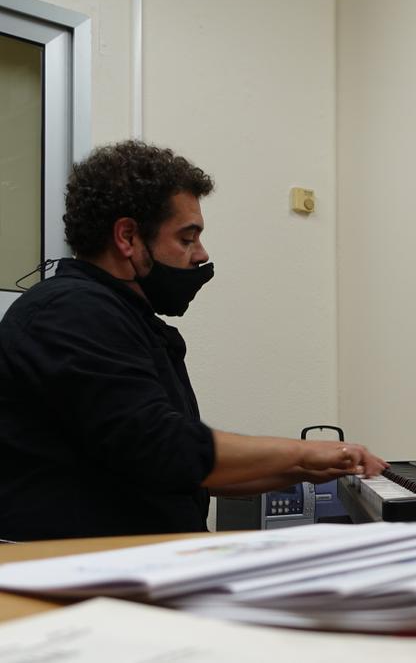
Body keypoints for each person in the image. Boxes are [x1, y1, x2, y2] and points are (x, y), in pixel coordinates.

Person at [0, 140, 388, 541]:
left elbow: (188, 471)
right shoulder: (68, 313)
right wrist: (304, 452)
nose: (201, 254)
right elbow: (164, 448)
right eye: (187, 238)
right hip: (78, 578)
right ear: (127, 237)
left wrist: (311, 468)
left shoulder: (127, 320)